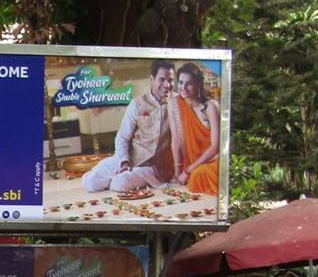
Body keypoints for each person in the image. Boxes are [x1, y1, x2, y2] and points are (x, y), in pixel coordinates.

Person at [81, 60, 177, 194]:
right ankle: (117, 174)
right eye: (162, 79)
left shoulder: (177, 103)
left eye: (171, 80)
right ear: (152, 79)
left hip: (153, 166)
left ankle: (121, 178)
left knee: (119, 185)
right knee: (90, 183)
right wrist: (124, 162)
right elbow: (122, 137)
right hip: (132, 157)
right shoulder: (138, 103)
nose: (167, 85)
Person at [169, 62, 220, 196]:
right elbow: (176, 140)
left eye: (189, 83)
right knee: (196, 175)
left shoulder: (210, 107)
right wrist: (177, 172)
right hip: (191, 162)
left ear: (198, 84)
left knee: (200, 174)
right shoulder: (174, 104)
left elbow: (215, 147)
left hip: (212, 160)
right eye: (180, 83)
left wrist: (188, 171)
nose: (183, 88)